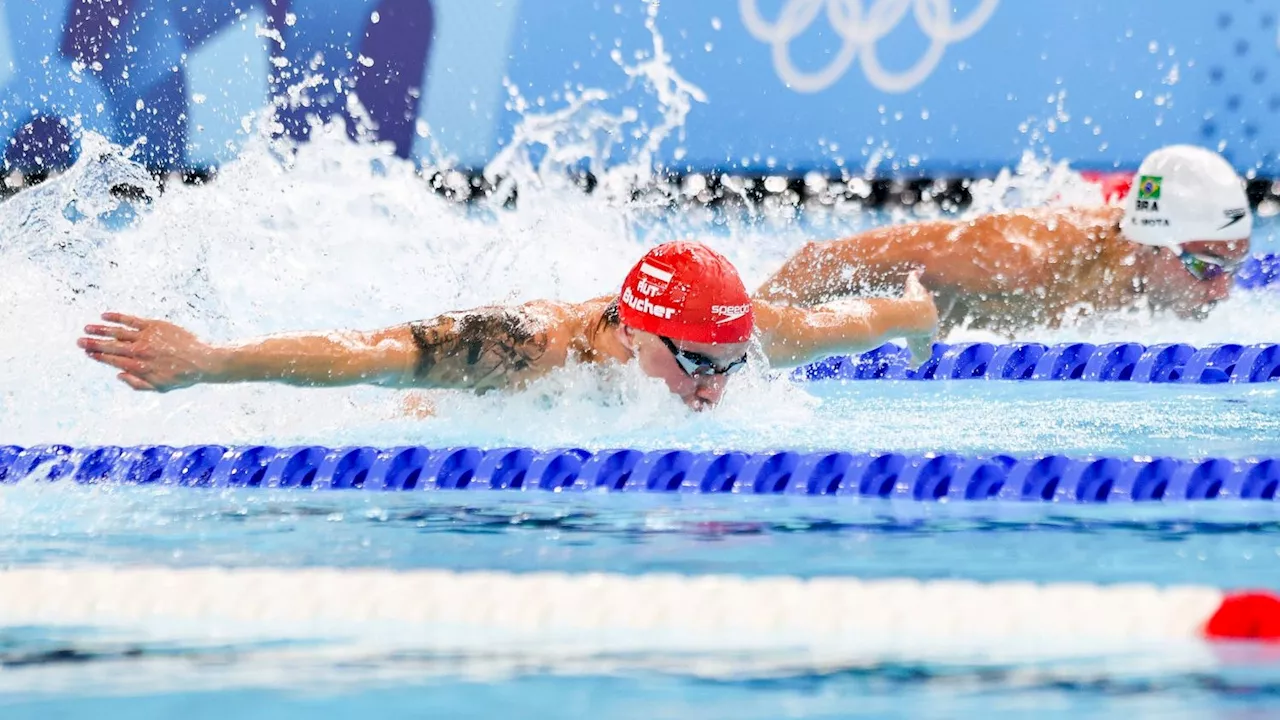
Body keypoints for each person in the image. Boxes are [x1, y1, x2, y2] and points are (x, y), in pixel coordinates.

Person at [78, 241, 938, 411]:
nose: (713, 387)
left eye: (728, 366)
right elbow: (368, 354)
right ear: (638, 332)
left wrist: (918, 319)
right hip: (429, 429)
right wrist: (212, 361)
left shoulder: (740, 334)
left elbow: (856, 319)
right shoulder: (528, 346)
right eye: (695, 366)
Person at [756, 145, 1254, 334]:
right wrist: (736, 339)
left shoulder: (1145, 270)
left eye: (1235, 269)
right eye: (1206, 268)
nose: (1221, 291)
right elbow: (826, 257)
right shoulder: (1021, 258)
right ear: (1152, 243)